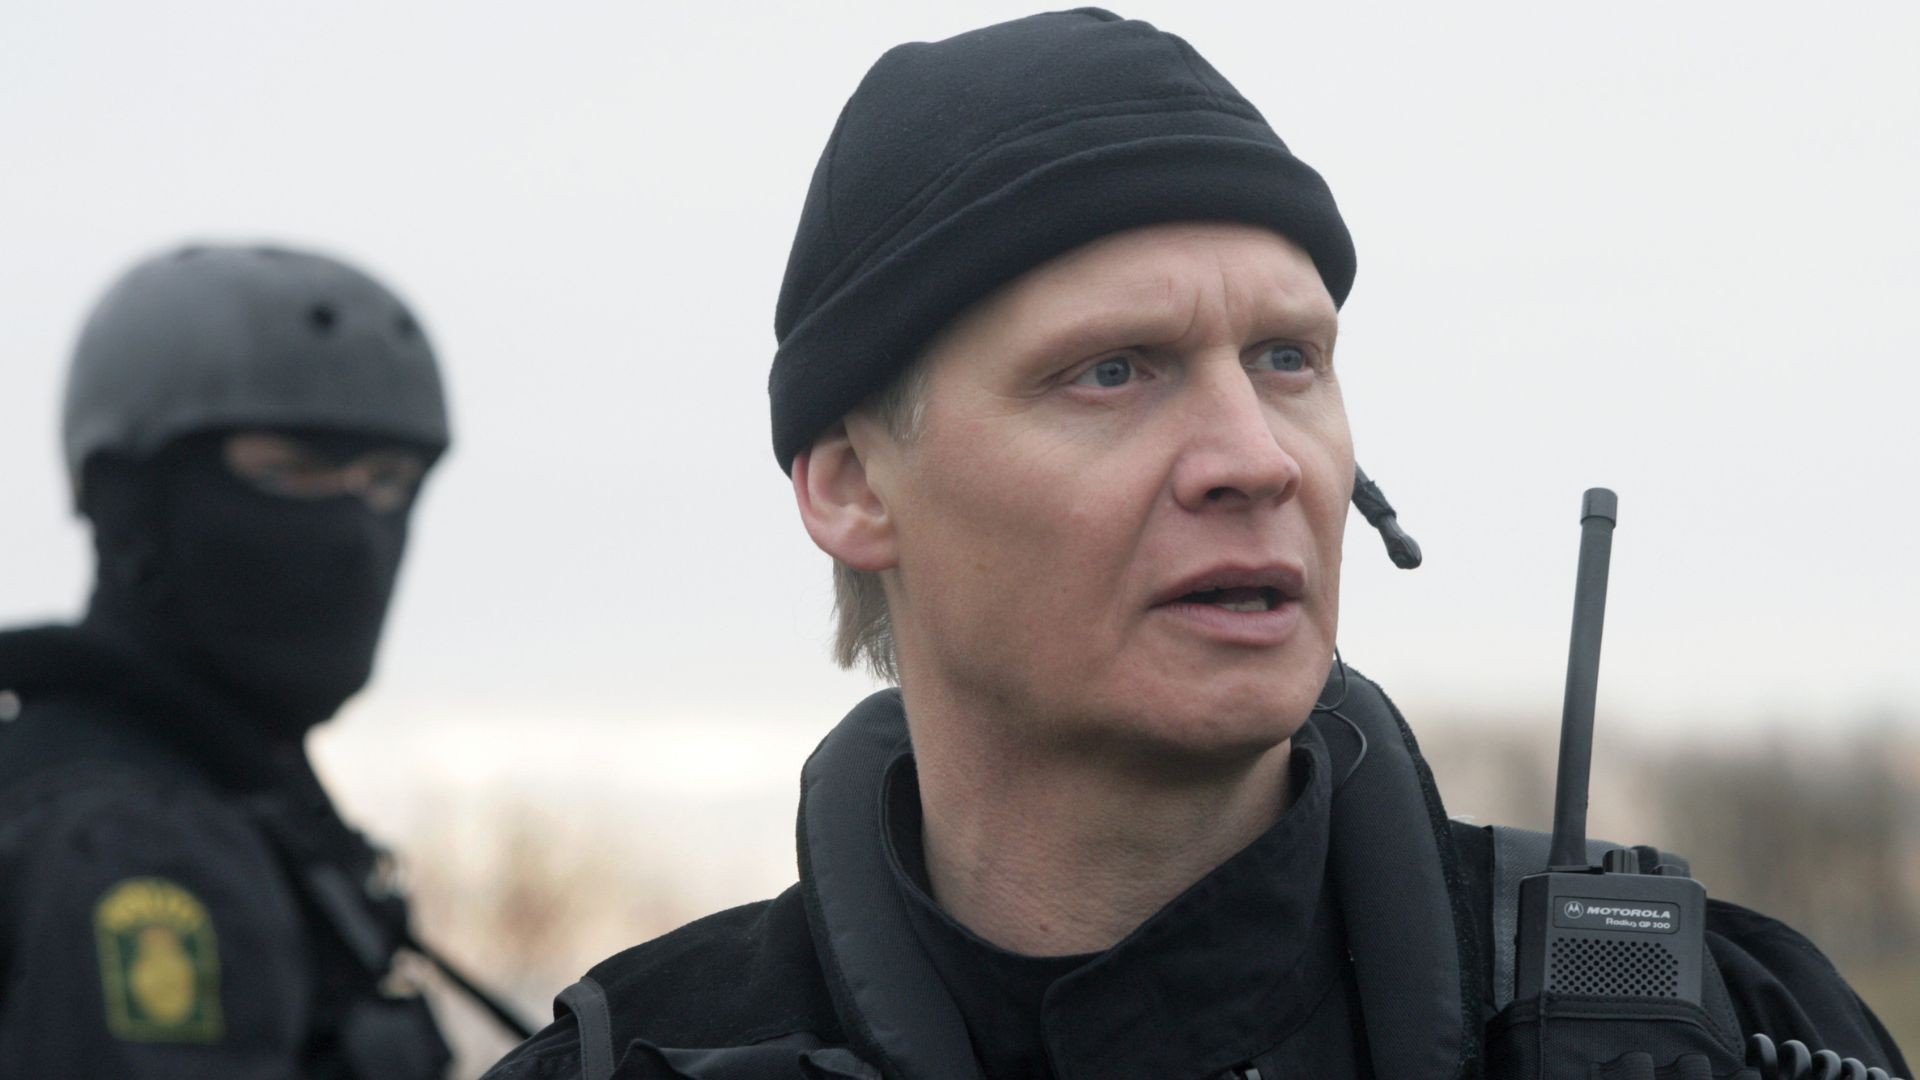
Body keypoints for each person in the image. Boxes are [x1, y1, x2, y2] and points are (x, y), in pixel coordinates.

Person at [485, 10, 1910, 1080]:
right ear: (855, 486)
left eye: (1289, 359)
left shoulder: (1714, 1024)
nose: (1255, 458)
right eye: (1112, 371)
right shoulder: (640, 1056)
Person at [0, 243, 478, 1077]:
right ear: (127, 501)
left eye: (389, 481)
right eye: (290, 470)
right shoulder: (132, 840)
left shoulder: (221, 800)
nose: (353, 538)